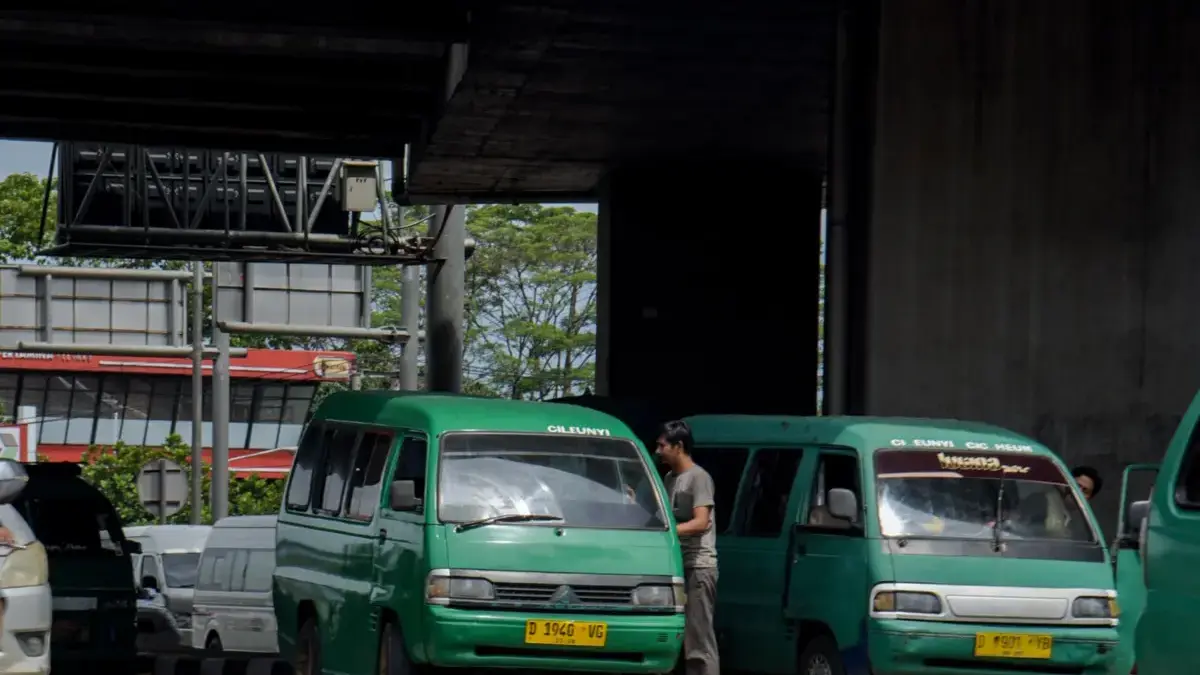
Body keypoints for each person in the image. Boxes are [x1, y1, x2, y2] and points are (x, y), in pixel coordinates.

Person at [655, 420, 719, 675]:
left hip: (699, 568)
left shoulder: (699, 478)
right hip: (679, 567)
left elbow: (701, 522)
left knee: (699, 641)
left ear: (678, 446)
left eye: (662, 446)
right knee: (680, 635)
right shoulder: (670, 478)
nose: (658, 451)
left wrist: (668, 533)